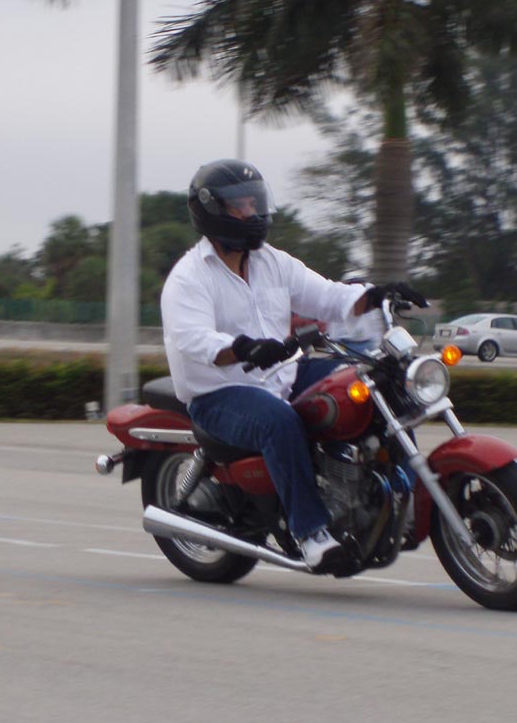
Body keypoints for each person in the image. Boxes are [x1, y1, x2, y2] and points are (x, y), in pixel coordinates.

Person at [160, 159, 426, 573]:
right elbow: (193, 338)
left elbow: (328, 297)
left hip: (283, 374)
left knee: (379, 385)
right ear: (211, 211)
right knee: (279, 421)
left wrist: (377, 295)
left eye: (254, 202)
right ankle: (311, 532)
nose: (251, 212)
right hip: (220, 392)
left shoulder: (273, 262)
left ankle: (397, 500)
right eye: (240, 205)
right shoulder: (189, 277)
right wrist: (244, 349)